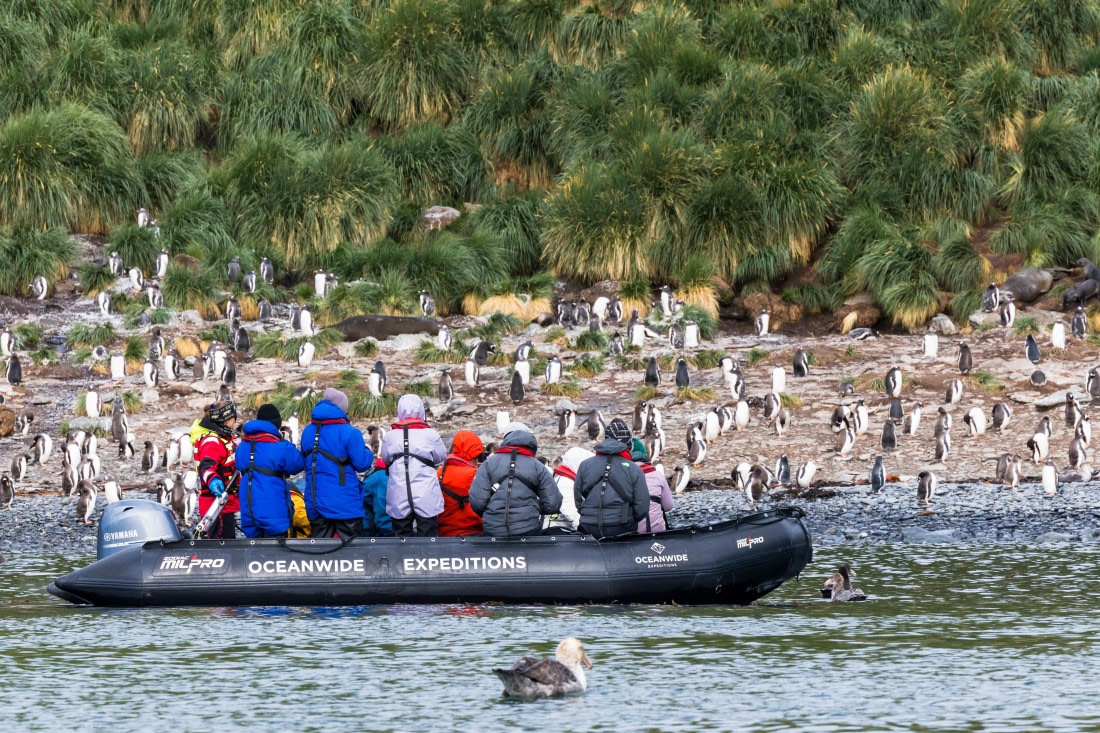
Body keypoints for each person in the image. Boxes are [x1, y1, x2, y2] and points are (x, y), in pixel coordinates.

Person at [299, 388, 373, 538]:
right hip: (345, 503)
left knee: (321, 549)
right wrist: (368, 451)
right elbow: (362, 464)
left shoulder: (307, 431)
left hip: (314, 500)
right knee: (354, 548)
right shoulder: (350, 432)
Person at [469, 423, 562, 538]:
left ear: (506, 440)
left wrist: (492, 512)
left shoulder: (488, 464)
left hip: (493, 530)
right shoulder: (538, 466)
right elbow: (553, 503)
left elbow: (477, 501)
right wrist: (533, 507)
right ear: (531, 443)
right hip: (528, 529)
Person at [381, 394, 447, 537]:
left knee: (401, 537)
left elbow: (385, 458)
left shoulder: (390, 436)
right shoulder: (430, 434)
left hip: (398, 493)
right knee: (428, 537)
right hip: (426, 493)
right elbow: (441, 456)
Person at [236, 404, 306, 538]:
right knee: (276, 548)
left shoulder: (242, 447)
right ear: (277, 424)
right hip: (274, 513)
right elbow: (298, 465)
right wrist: (286, 442)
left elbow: (239, 466)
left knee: (254, 547)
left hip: (248, 510)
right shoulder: (280, 447)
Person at [573, 418, 648, 538]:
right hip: (621, 526)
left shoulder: (585, 465)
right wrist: (628, 517)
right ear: (629, 444)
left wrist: (588, 514)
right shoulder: (634, 469)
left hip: (588, 526)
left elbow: (578, 498)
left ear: (605, 439)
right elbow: (642, 507)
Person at [191, 400, 240, 539]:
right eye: (233, 418)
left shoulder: (222, 439)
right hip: (215, 506)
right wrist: (213, 480)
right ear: (226, 420)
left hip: (225, 504)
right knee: (220, 542)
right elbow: (206, 467)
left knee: (227, 539)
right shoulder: (212, 441)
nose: (235, 422)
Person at [437, 430, 486, 537]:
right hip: (473, 533)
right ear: (474, 454)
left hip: (445, 533)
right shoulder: (475, 475)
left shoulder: (441, 472)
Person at [630, 438, 674, 533]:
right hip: (658, 531)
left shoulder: (623, 477)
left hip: (634, 533)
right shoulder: (658, 475)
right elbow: (668, 506)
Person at [544, 447, 593, 532]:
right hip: (559, 529)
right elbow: (569, 510)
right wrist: (586, 530)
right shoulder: (565, 482)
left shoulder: (569, 479)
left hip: (567, 528)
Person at [361, 459, 393, 537]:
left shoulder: (377, 475)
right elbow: (383, 518)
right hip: (368, 530)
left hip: (365, 524)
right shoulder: (384, 480)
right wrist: (394, 536)